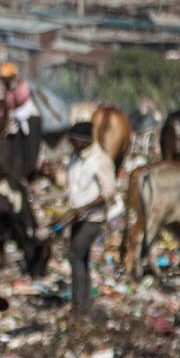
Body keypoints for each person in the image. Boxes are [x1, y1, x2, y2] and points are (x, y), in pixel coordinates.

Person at [65, 120, 115, 310]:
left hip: (93, 218)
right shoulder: (75, 158)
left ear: (83, 140)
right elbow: (72, 185)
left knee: (75, 254)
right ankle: (85, 302)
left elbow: (108, 192)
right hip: (76, 217)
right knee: (82, 257)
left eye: (73, 141)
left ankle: (78, 304)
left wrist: (85, 208)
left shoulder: (101, 160)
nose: (71, 145)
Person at [0, 62, 41, 181]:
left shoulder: (22, 85)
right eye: (3, 78)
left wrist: (11, 112)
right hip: (16, 120)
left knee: (29, 147)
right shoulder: (5, 88)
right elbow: (5, 106)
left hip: (29, 119)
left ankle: (28, 172)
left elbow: (21, 101)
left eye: (7, 78)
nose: (4, 80)